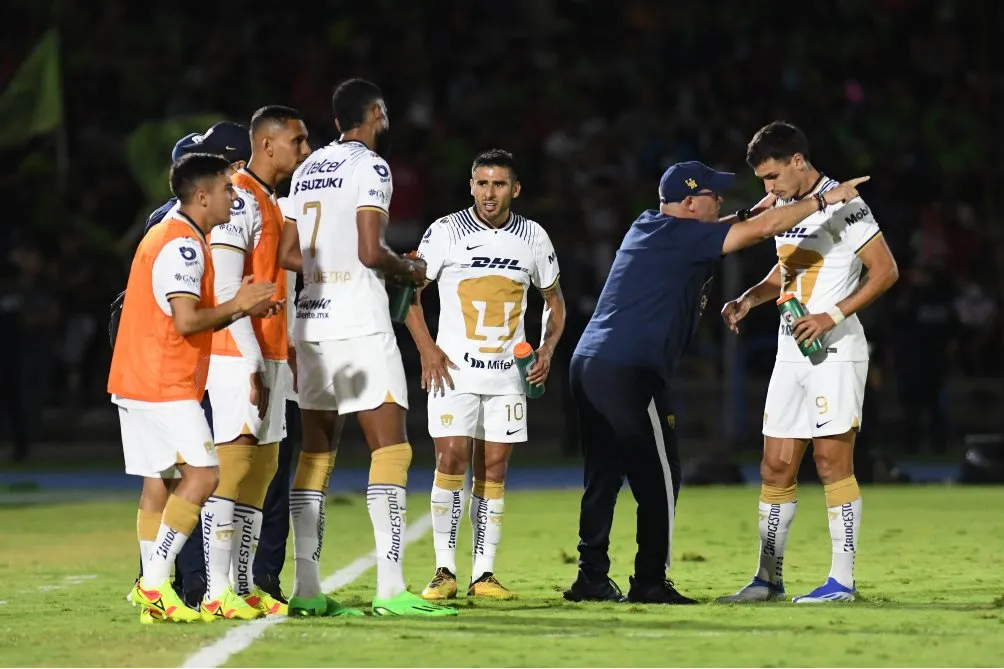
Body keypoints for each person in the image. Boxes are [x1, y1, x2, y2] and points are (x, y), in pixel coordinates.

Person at [564, 160, 869, 605]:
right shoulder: (684, 236)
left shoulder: (650, 226)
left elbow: (737, 226)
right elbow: (762, 231)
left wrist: (748, 213)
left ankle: (590, 577)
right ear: (690, 203)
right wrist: (824, 199)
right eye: (713, 194)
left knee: (603, 475)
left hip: (589, 364)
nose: (721, 199)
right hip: (629, 369)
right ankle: (649, 580)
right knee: (660, 478)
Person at [278, 77, 456, 617]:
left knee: (315, 455)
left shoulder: (308, 168)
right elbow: (371, 251)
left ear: (336, 121)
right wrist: (410, 270)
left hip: (311, 323)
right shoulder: (372, 167)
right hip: (358, 322)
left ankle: (307, 589)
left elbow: (288, 253)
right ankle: (391, 588)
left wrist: (328, 266)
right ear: (377, 113)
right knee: (391, 450)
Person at [718, 121, 898, 604]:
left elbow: (885, 271)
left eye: (773, 176)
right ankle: (767, 580)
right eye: (762, 180)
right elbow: (788, 269)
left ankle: (842, 582)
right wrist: (749, 298)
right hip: (790, 352)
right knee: (775, 466)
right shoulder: (787, 207)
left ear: (798, 160)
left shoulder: (846, 203)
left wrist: (830, 315)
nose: (769, 188)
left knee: (830, 461)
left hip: (835, 350)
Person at [109, 153, 277, 623]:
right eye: (227, 188)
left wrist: (240, 305)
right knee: (204, 475)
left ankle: (154, 595)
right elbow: (186, 322)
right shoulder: (184, 244)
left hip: (136, 377)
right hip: (164, 381)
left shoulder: (166, 233)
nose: (234, 195)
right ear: (202, 196)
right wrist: (239, 305)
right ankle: (153, 583)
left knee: (160, 482)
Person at [405, 149, 565, 601]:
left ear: (515, 189)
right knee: (450, 459)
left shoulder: (533, 237)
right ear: (471, 186)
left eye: (498, 184)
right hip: (453, 371)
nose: (488, 193)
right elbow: (409, 294)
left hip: (507, 376)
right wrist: (427, 349)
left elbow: (554, 302)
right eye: (481, 183)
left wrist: (546, 349)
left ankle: (484, 574)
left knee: (494, 469)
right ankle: (443, 570)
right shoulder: (445, 231)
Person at [200, 106, 311, 620]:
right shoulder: (239, 197)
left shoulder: (270, 202)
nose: (305, 151)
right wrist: (250, 362)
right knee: (235, 466)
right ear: (267, 145)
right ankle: (215, 589)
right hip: (235, 354)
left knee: (262, 469)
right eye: (298, 141)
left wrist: (284, 353)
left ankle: (243, 586)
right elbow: (226, 287)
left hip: (271, 354)